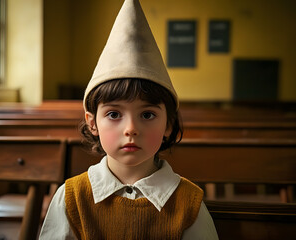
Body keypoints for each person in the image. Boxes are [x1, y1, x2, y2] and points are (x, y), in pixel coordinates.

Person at [40, 0, 218, 239]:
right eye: (114, 114)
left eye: (147, 114)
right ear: (92, 123)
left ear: (169, 125)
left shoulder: (188, 203)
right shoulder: (72, 197)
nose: (131, 129)